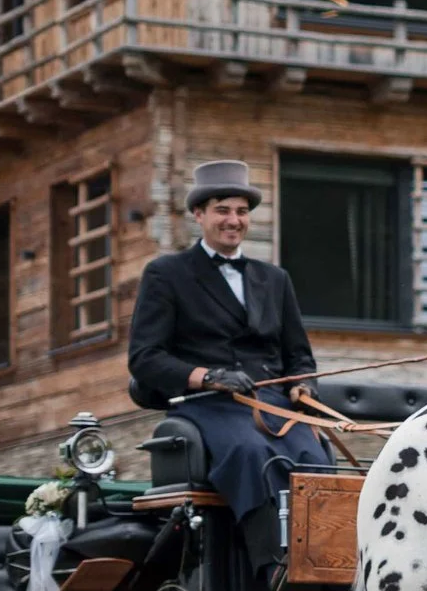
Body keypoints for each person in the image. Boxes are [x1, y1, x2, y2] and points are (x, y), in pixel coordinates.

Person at [127, 160, 331, 569]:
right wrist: (208, 377)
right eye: (222, 210)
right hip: (207, 403)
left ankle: (326, 562)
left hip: (274, 404)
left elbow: (299, 355)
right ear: (199, 214)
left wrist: (303, 388)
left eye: (241, 211)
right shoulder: (167, 274)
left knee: (315, 458)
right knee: (251, 452)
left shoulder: (274, 279)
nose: (233, 220)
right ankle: (273, 566)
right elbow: (144, 357)